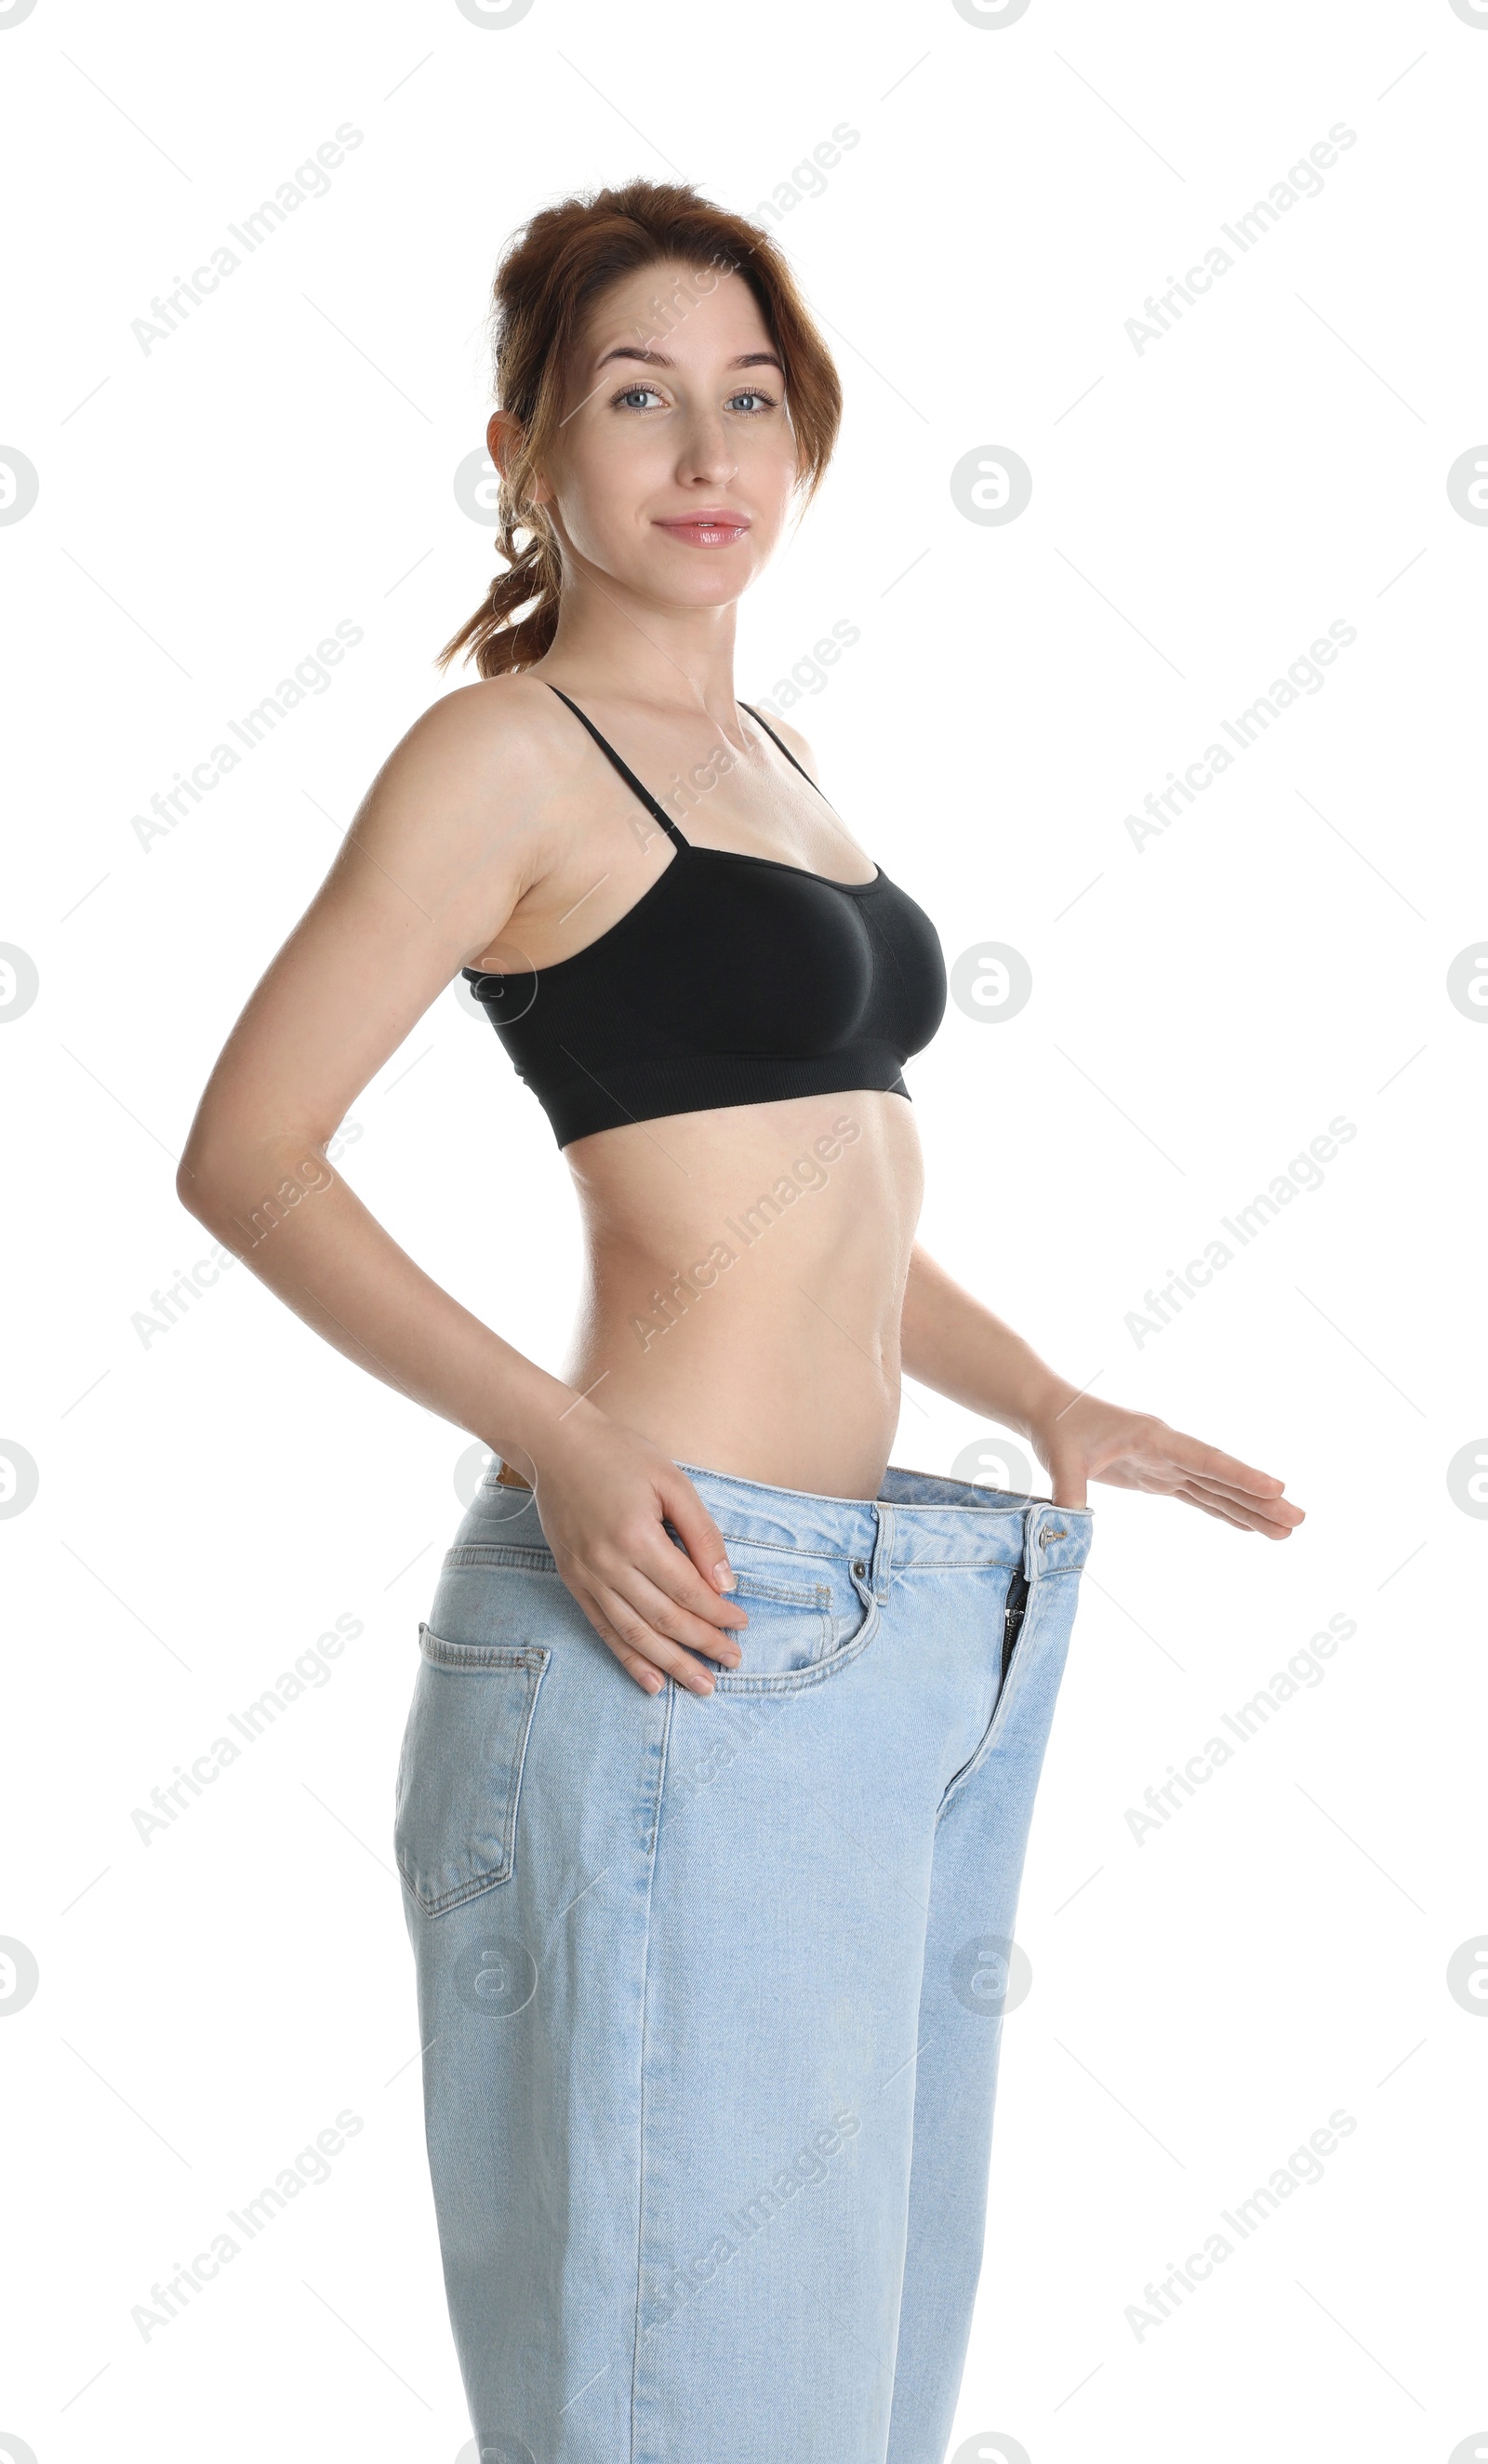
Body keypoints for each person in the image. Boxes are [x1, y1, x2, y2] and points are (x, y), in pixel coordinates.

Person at [178, 180, 1303, 2464]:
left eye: (750, 399)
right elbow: (250, 1156)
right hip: (674, 1610)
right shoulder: (503, 757)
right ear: (525, 447)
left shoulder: (772, 750)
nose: (705, 449)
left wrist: (1044, 1393)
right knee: (701, 2408)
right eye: (634, 395)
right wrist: (572, 1450)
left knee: (842, 2396)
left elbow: (815, 1187)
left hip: (883, 1619)